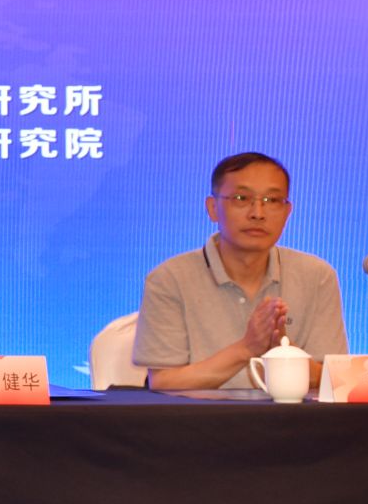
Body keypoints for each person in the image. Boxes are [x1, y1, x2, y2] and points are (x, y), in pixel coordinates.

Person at [132, 151, 348, 391]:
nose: (258, 213)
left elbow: (335, 380)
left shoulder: (317, 276)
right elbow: (163, 381)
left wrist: (282, 352)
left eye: (272, 200)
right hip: (199, 415)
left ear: (287, 212)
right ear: (213, 208)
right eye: (241, 198)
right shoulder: (169, 278)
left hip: (289, 415)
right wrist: (247, 348)